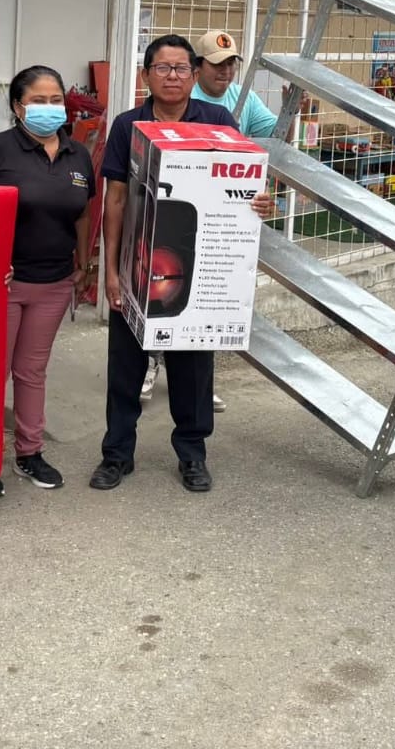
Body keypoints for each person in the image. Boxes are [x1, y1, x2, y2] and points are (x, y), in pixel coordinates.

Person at [90, 34, 274, 496]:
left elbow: (239, 186)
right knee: (125, 368)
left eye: (181, 68)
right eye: (162, 68)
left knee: (193, 370)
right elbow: (115, 200)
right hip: (137, 266)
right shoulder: (128, 126)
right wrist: (110, 271)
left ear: (194, 75)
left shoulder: (217, 121)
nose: (172, 76)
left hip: (196, 263)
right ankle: (117, 455)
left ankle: (192, 455)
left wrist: (260, 201)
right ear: (145, 75)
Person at [0, 66, 96, 495]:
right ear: (18, 106)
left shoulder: (78, 155)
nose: (49, 108)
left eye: (56, 100)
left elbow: (84, 213)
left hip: (54, 282)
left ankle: (29, 452)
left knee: (32, 371)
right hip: (2, 285)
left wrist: (84, 263)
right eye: (38, 100)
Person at [139, 28, 277, 413]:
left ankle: (197, 389)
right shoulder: (175, 103)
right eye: (218, 64)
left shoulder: (231, 106)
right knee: (162, 291)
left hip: (213, 220)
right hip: (167, 214)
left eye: (231, 64)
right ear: (200, 68)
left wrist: (256, 194)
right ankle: (151, 364)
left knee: (202, 304)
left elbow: (258, 146)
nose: (225, 71)